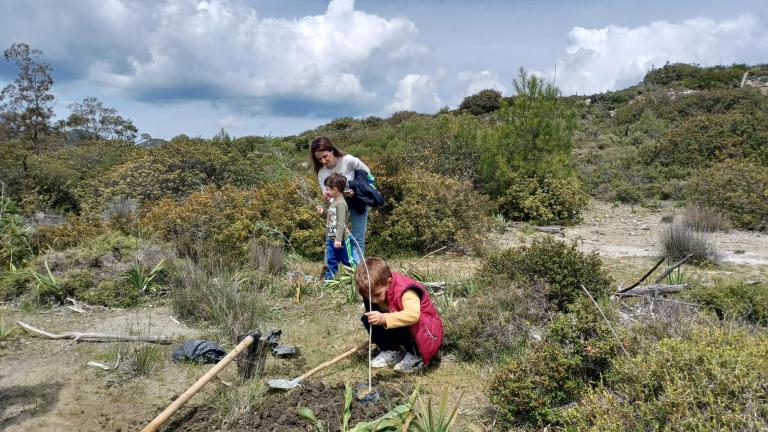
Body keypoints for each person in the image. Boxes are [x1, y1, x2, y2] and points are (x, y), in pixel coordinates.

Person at [354, 257, 443, 373]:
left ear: (389, 282)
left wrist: (384, 318)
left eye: (377, 295)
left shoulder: (406, 291)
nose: (373, 300)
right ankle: (392, 349)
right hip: (403, 326)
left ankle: (416, 355)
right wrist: (381, 317)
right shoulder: (377, 290)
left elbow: (413, 316)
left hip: (426, 333)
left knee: (403, 321)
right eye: (368, 296)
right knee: (370, 318)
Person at [311, 137, 371, 264]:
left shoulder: (348, 160)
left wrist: (357, 190)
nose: (323, 161)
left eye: (325, 156)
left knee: (357, 238)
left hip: (359, 200)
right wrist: (329, 197)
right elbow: (329, 196)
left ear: (332, 150)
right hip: (340, 204)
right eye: (319, 159)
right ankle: (334, 267)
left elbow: (367, 174)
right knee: (333, 236)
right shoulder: (322, 173)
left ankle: (357, 270)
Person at [316, 173, 355, 280]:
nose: (326, 192)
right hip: (331, 239)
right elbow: (332, 217)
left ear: (335, 189)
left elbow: (341, 222)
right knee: (331, 261)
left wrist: (338, 239)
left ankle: (354, 280)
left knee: (347, 261)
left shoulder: (341, 203)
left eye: (328, 189)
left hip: (341, 240)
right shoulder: (334, 202)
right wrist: (323, 212)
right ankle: (330, 281)